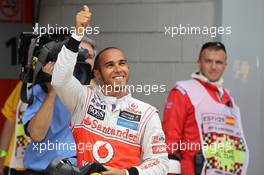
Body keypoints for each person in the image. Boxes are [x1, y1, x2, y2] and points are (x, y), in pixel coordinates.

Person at [51, 5, 169, 175]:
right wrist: (77, 34)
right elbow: (60, 78)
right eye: (109, 65)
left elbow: (160, 164)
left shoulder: (147, 114)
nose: (118, 69)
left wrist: (126, 173)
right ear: (97, 74)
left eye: (122, 63)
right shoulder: (83, 98)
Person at [162, 42, 249, 175]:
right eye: (208, 61)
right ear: (199, 62)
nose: (214, 67)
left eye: (218, 62)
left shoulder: (229, 99)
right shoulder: (183, 91)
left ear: (225, 66)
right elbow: (169, 140)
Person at [22, 36, 97, 175]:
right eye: (78, 53)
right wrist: (54, 88)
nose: (82, 59)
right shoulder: (43, 89)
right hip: (41, 170)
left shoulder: (99, 95)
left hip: (78, 170)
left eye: (89, 56)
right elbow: (36, 134)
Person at [0, 81, 30, 175]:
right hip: (15, 162)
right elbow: (10, 118)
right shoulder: (24, 83)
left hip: (44, 163)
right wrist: (2, 154)